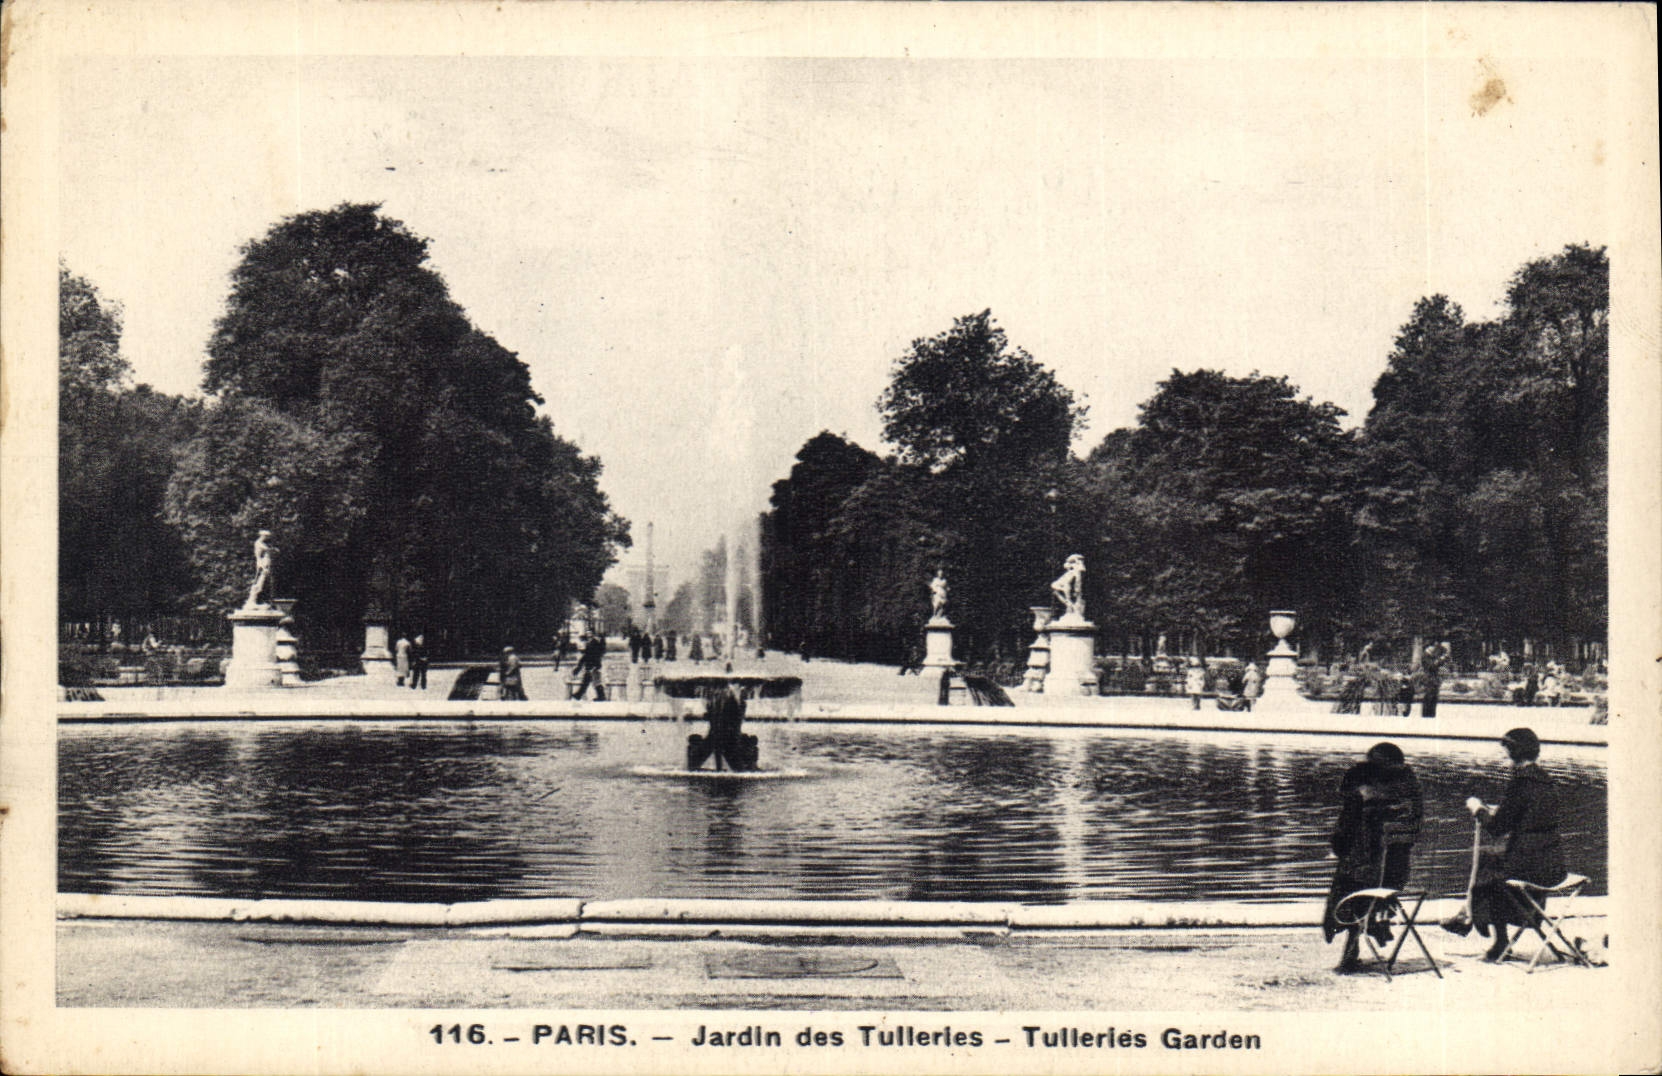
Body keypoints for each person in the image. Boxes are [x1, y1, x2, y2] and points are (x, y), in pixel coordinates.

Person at [1464, 727, 1566, 962]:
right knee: (1496, 868)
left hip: (1528, 864)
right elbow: (1530, 815)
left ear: (1513, 751)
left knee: (1488, 872)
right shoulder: (1546, 780)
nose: (1502, 756)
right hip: (1552, 862)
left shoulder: (1520, 783)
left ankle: (1494, 937)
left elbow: (1497, 829)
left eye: (1504, 750)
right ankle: (1516, 921)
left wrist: (1477, 809)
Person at [1323, 742, 1423, 972]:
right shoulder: (1410, 790)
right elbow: (1412, 832)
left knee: (1348, 884)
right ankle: (1375, 927)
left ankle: (1352, 945)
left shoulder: (1362, 794)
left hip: (1365, 874)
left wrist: (1340, 848)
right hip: (1394, 877)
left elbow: (1343, 834)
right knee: (1360, 878)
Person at [572, 633, 608, 701]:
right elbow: (588, 655)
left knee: (595, 682)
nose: (588, 637)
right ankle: (579, 694)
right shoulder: (593, 643)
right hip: (593, 666)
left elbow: (587, 656)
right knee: (588, 680)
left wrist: (579, 667)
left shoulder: (593, 644)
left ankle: (601, 696)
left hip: (592, 666)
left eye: (589, 636)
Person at [1420, 640, 1451, 718]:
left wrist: (1443, 659)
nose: (1434, 649)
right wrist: (1441, 659)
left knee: (1434, 697)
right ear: (1428, 647)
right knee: (1429, 697)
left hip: (1434, 679)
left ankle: (1431, 714)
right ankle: (1426, 715)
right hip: (1429, 679)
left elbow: (1437, 664)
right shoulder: (1425, 656)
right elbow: (1432, 666)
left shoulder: (1431, 656)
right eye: (1433, 647)